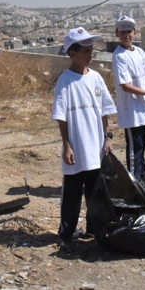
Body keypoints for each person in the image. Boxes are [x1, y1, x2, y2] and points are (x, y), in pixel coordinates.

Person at [51, 27, 116, 249]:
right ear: (73, 54)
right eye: (86, 51)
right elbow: (61, 117)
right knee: (72, 193)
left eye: (91, 50)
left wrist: (107, 137)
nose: (91, 55)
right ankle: (66, 233)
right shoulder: (65, 81)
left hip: (95, 147)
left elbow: (104, 110)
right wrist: (66, 145)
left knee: (95, 191)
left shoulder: (96, 78)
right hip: (77, 149)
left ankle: (94, 228)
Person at [110, 16, 145, 183]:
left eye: (129, 31)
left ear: (134, 32)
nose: (126, 35)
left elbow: (144, 80)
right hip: (130, 108)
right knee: (134, 146)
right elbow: (125, 85)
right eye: (122, 31)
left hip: (142, 106)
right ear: (117, 34)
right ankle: (133, 181)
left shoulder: (139, 53)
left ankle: (142, 172)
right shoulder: (119, 56)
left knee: (142, 143)